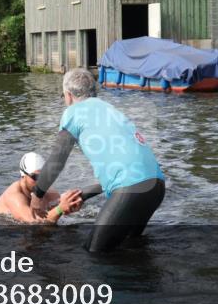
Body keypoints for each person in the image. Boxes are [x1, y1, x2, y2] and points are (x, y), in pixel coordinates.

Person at [30, 68, 165, 252]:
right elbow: (124, 169)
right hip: (156, 187)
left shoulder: (74, 113)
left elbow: (56, 162)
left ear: (68, 96)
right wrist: (83, 194)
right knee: (133, 249)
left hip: (132, 189)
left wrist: (37, 195)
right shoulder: (110, 110)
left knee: (95, 253)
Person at [0, 152, 82, 224]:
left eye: (43, 177)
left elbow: (62, 210)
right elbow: (35, 222)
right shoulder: (13, 196)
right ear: (23, 175)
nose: (40, 182)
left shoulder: (50, 194)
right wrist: (60, 209)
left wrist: (72, 206)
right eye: (35, 177)